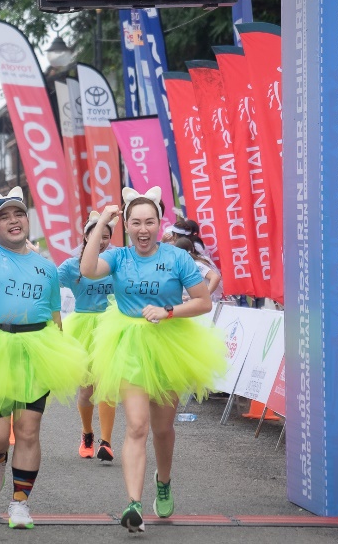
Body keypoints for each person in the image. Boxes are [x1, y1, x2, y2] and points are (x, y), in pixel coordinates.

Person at [0, 142, 88, 530]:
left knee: (28, 428)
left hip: (37, 349)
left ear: (27, 221)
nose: (13, 220)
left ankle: (20, 502)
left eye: (19, 214)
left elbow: (55, 318)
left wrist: (60, 353)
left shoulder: (46, 267)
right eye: (4, 216)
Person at [79, 186, 227, 533]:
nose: (142, 229)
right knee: (136, 426)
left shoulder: (177, 258)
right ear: (126, 225)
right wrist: (102, 221)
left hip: (167, 345)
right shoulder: (118, 257)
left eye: (149, 222)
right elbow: (87, 268)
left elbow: (204, 302)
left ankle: (163, 480)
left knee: (161, 429)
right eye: (135, 222)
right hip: (128, 345)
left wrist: (168, 311)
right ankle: (133, 503)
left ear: (160, 224)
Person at [57, 211, 117, 462]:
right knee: (86, 389)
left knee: (108, 384)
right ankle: (87, 432)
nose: (101, 240)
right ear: (85, 236)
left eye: (106, 236)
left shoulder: (117, 260)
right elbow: (48, 283)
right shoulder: (71, 265)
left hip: (111, 326)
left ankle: (107, 442)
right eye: (96, 235)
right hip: (81, 327)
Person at [174, 236, 224, 302]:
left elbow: (215, 277)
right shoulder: (184, 266)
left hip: (212, 303)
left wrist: (205, 295)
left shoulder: (196, 264)